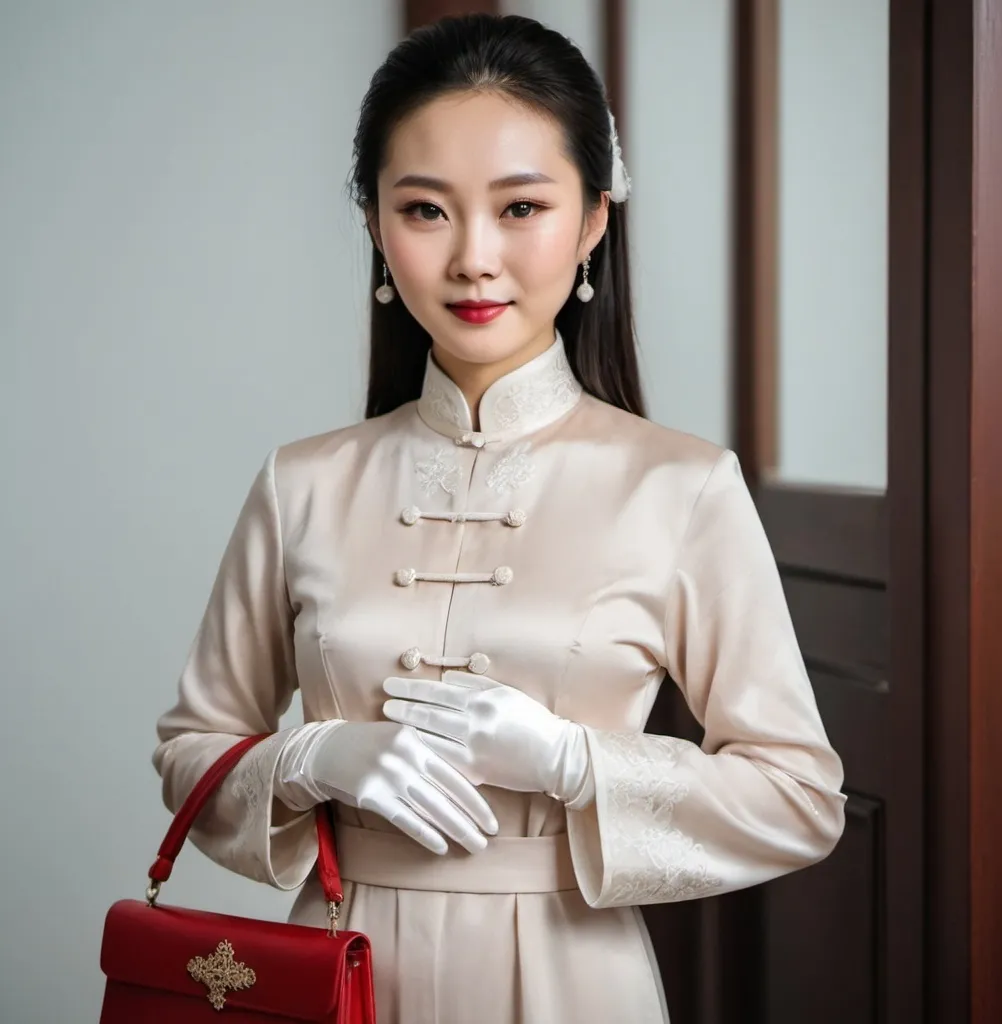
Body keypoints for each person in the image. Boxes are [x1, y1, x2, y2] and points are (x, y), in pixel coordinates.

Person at [153, 13, 846, 1023]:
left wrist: (572, 763)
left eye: (521, 207)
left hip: (571, 982)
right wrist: (311, 759)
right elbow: (188, 750)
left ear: (594, 217)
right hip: (331, 973)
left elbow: (799, 796)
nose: (475, 257)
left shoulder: (682, 486)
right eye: (426, 210)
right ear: (375, 226)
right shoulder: (300, 482)